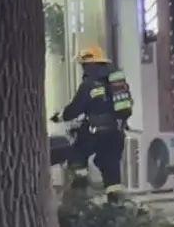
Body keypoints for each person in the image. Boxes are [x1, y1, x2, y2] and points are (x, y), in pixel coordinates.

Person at [51, 46, 133, 203]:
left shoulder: (89, 84)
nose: (83, 68)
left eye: (84, 65)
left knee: (76, 156)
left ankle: (80, 197)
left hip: (94, 133)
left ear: (90, 64)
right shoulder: (116, 82)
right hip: (116, 132)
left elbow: (75, 109)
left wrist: (59, 117)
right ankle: (116, 205)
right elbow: (125, 109)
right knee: (111, 169)